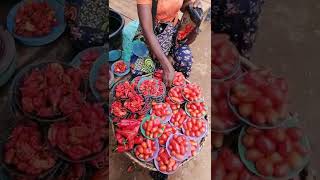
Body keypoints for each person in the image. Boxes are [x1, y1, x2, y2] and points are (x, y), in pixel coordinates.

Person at [136, 0, 202, 86]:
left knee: (185, 60)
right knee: (140, 75)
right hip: (150, 34)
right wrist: (166, 66)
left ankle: (175, 89)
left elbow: (183, 5)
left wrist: (192, 6)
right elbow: (147, 30)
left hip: (172, 31)